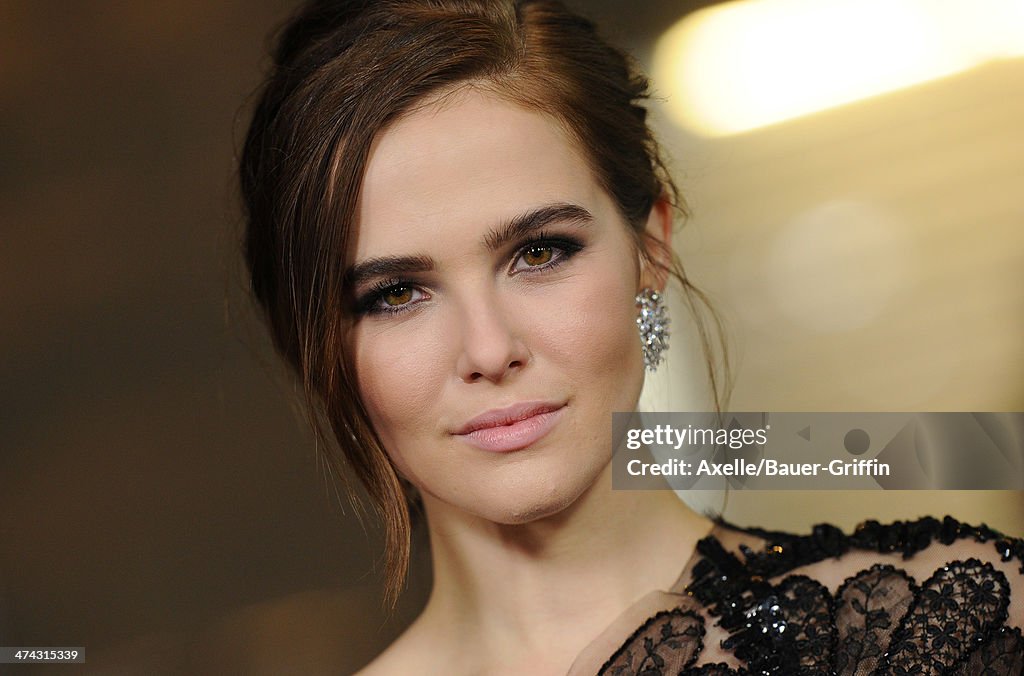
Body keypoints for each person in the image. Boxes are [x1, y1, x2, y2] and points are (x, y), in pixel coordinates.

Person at [239, 1, 1024, 673]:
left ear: (651, 246)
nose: (487, 350)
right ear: (318, 347)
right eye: (396, 294)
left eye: (538, 253)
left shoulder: (941, 628)